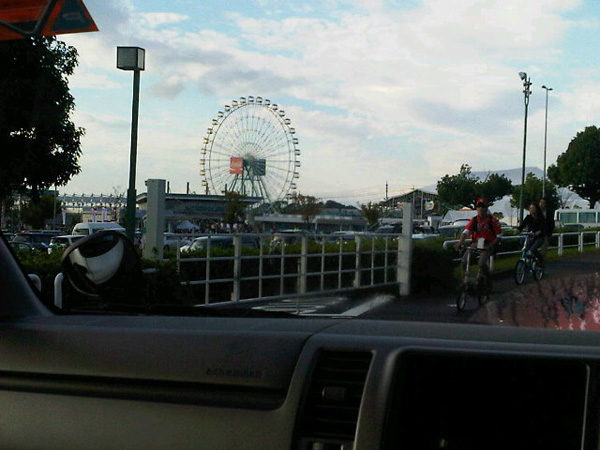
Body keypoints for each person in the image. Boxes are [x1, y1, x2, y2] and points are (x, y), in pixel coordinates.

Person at [454, 198, 501, 288]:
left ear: (486, 208)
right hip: (477, 242)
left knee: (481, 263)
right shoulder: (474, 220)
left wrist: (491, 245)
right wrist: (460, 243)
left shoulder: (492, 220)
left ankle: (487, 278)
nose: (480, 209)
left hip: (488, 243)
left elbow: (499, 236)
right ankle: (466, 280)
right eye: (478, 207)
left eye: (482, 207)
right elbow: (466, 232)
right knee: (464, 261)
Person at [539, 197, 555, 265]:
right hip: (535, 234)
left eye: (543, 203)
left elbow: (551, 224)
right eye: (540, 202)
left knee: (543, 250)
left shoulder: (549, 213)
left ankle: (541, 265)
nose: (541, 204)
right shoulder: (536, 211)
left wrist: (549, 234)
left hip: (545, 234)